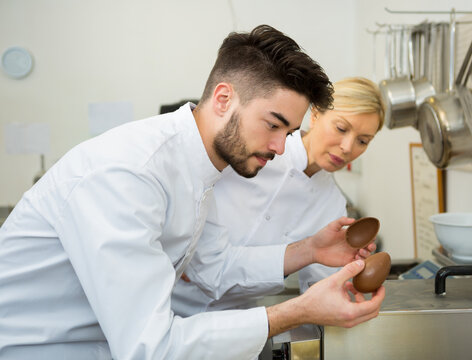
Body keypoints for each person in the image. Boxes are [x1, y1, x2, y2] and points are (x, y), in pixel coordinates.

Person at [0, 25, 385, 359]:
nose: (281, 148)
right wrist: (296, 312)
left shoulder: (201, 168)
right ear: (223, 99)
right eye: (273, 125)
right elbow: (150, 349)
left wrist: (311, 250)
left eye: (287, 133)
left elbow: (212, 267)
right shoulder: (130, 174)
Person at [171, 77, 385, 317]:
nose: (348, 147)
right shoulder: (255, 152)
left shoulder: (333, 205)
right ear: (315, 114)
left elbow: (318, 287)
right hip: (170, 303)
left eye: (363, 141)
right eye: (341, 128)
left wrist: (345, 283)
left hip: (236, 321)